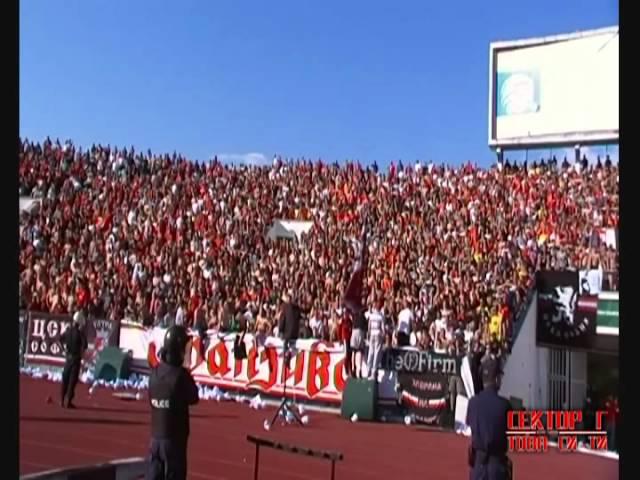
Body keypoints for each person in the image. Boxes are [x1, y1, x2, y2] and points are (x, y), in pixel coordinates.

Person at [146, 325, 199, 480]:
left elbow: (152, 399)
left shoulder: (154, 373)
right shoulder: (180, 376)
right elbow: (194, 397)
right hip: (174, 442)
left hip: (155, 439)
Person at [466, 357, 512, 480]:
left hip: (478, 465)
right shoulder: (504, 405)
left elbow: (470, 427)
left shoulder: (473, 403)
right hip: (497, 466)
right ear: (496, 379)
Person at [60, 311, 88, 408]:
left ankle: (62, 400)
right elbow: (85, 345)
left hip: (68, 358)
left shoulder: (68, 331)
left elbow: (60, 339)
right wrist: (81, 353)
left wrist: (63, 350)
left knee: (65, 378)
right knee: (72, 380)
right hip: (76, 359)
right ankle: (69, 400)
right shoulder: (80, 333)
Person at [365, 298, 385, 381]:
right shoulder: (381, 316)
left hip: (372, 334)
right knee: (376, 354)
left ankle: (368, 371)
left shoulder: (371, 315)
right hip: (378, 335)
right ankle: (373, 372)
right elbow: (383, 328)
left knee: (371, 352)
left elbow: (369, 327)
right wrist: (383, 335)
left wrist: (368, 336)